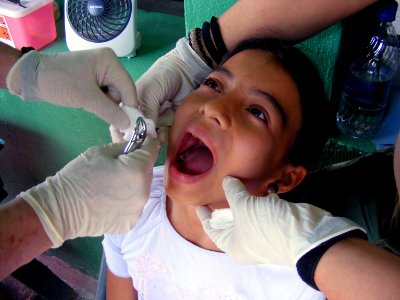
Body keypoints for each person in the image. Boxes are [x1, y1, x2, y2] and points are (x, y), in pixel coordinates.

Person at [103, 39, 400, 299]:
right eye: (213, 84)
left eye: (257, 112)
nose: (215, 108)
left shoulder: (297, 279)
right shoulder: (130, 205)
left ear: (284, 177)